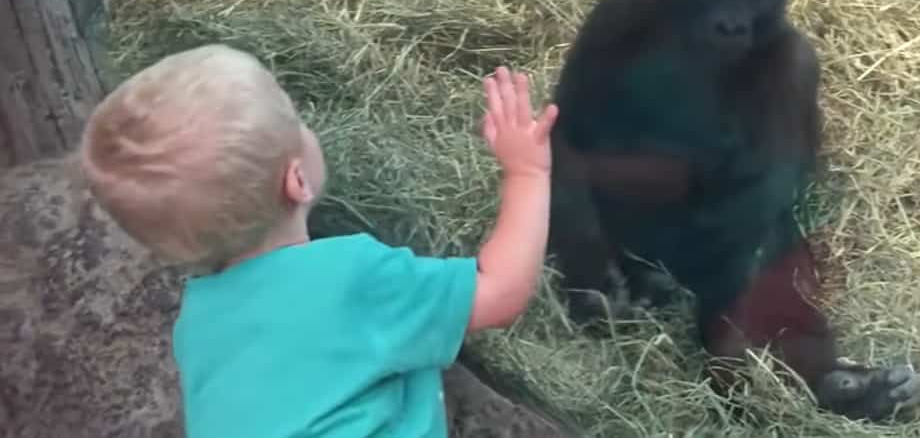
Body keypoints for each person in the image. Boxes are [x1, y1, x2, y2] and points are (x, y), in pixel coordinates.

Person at [78, 43, 559, 438]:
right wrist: (526, 172)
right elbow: (502, 291)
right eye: (295, 118)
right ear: (297, 182)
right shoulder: (353, 278)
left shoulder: (197, 326)